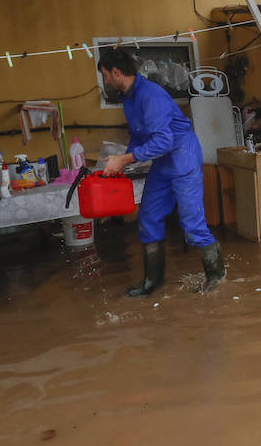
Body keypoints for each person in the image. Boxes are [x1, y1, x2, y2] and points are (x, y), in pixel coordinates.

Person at [96, 48, 225, 296]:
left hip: (182, 155)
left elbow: (164, 141)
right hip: (163, 162)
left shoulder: (150, 96)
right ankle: (152, 281)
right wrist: (124, 162)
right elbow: (138, 135)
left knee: (191, 221)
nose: (105, 81)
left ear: (116, 72)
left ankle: (216, 277)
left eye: (105, 75)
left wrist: (124, 158)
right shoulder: (129, 97)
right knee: (148, 217)